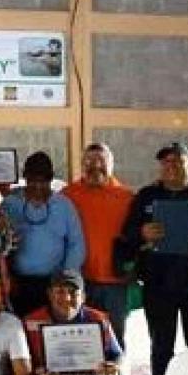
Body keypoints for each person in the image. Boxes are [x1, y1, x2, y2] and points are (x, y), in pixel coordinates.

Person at [121, 142, 188, 375]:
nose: (171, 166)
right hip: (158, 286)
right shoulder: (146, 196)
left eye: (177, 161)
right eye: (166, 162)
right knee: (160, 349)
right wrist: (142, 233)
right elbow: (128, 234)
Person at [62, 143, 134, 347]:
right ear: (81, 166)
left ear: (112, 164)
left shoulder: (127, 197)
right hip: (80, 281)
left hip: (115, 281)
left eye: (101, 161)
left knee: (115, 337)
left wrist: (135, 268)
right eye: (88, 162)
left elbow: (137, 238)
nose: (95, 167)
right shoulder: (68, 195)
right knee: (83, 336)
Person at [0, 151, 85, 317]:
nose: (38, 186)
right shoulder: (10, 204)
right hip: (18, 283)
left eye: (43, 181)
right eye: (33, 181)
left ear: (50, 180)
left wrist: (66, 278)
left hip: (54, 283)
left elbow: (76, 243)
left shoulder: (64, 205)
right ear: (25, 179)